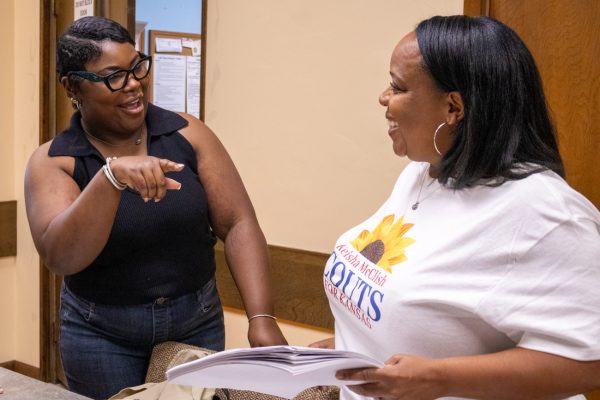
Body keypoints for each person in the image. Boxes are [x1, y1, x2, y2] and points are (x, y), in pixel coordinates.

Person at [311, 15, 600, 399]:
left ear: (453, 108)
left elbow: (590, 361)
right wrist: (355, 342)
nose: (383, 97)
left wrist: (441, 378)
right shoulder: (422, 173)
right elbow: (424, 308)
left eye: (397, 87)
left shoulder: (548, 214)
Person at [24, 16, 286, 400]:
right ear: (72, 86)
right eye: (114, 76)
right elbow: (62, 257)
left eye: (137, 67)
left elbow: (237, 223)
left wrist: (261, 317)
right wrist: (110, 179)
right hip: (101, 336)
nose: (133, 84)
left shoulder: (187, 133)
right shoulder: (55, 161)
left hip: (195, 322)